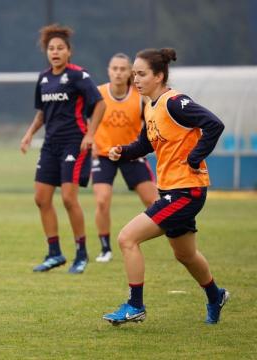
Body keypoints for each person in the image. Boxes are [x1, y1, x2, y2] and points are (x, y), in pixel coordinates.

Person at [103, 48, 228, 325]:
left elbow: (214, 124)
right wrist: (121, 151)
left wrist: (195, 157)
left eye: (141, 73)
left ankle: (135, 306)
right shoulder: (149, 105)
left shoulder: (175, 102)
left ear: (159, 76)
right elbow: (146, 144)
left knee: (127, 238)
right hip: (171, 190)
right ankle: (215, 295)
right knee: (185, 254)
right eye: (134, 73)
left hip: (187, 191)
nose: (135, 79)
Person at [20, 24, 106, 274]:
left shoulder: (79, 76)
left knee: (69, 199)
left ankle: (81, 254)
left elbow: (99, 105)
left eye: (60, 48)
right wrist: (28, 135)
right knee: (41, 198)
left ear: (69, 52)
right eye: (51, 48)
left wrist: (90, 135)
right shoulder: (44, 78)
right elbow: (42, 114)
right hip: (50, 146)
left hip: (74, 142)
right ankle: (54, 253)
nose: (55, 52)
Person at [91, 53, 158, 263]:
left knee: (154, 202)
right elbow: (85, 121)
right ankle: (105, 249)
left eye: (122, 69)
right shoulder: (98, 94)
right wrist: (90, 139)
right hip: (103, 154)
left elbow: (151, 123)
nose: (118, 72)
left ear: (130, 72)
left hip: (130, 153)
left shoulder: (139, 97)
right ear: (108, 71)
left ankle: (174, 238)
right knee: (102, 201)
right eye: (114, 68)